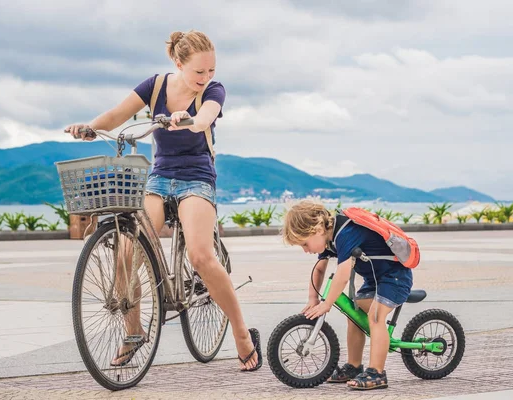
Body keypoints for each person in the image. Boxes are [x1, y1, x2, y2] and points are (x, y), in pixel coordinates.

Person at [65, 30, 261, 372]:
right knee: (126, 251)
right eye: (199, 71)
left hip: (197, 177)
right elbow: (116, 115)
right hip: (158, 177)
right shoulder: (155, 86)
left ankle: (242, 333)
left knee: (201, 255)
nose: (206, 78)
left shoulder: (213, 91)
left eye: (211, 70)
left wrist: (188, 119)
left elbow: (205, 119)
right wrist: (91, 127)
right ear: (178, 63)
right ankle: (134, 331)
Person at [281, 200, 413, 390]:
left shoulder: (345, 233)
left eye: (304, 243)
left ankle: (377, 373)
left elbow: (343, 275)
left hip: (395, 277)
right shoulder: (329, 239)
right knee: (354, 314)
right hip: (374, 280)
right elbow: (319, 270)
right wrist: (313, 299)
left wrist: (327, 304)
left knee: (375, 317)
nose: (305, 250)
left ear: (317, 229)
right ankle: (353, 366)